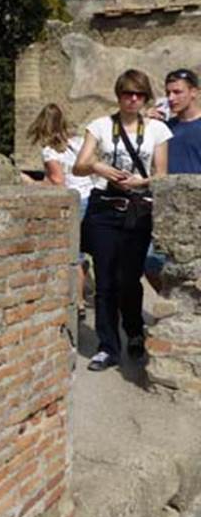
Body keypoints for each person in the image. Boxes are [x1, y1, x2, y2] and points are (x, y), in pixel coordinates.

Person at [73, 69, 171, 371]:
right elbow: (80, 165)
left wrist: (139, 183)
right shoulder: (101, 125)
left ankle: (134, 332)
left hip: (137, 209)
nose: (132, 99)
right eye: (127, 93)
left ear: (145, 97)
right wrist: (102, 169)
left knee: (129, 279)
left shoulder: (156, 129)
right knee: (105, 281)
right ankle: (107, 346)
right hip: (104, 209)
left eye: (139, 94)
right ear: (118, 95)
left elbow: (162, 174)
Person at [26, 103, 94, 318]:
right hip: (92, 196)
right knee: (92, 250)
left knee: (75, 254)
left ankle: (79, 302)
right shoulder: (79, 143)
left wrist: (29, 183)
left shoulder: (50, 151)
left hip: (77, 202)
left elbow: (58, 181)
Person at [143, 68, 201, 290]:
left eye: (177, 92)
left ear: (194, 92)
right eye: (168, 93)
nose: (171, 98)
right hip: (167, 208)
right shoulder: (163, 128)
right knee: (150, 262)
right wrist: (145, 125)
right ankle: (172, 302)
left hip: (196, 208)